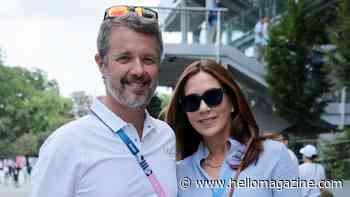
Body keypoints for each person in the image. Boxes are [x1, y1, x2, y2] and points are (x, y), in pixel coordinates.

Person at [30, 5, 177, 197]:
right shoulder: (66, 144)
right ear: (101, 64)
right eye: (125, 58)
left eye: (148, 59)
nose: (138, 70)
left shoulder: (166, 136)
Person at [166, 59, 300, 196]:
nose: (203, 108)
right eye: (192, 101)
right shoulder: (178, 173)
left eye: (213, 96)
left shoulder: (273, 154)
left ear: (232, 102)